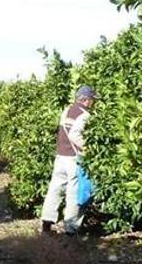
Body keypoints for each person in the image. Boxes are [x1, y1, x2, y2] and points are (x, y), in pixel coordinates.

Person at [40, 85, 99, 236]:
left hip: (61, 156)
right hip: (73, 158)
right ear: (85, 99)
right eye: (92, 100)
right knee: (73, 193)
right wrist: (88, 149)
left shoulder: (67, 111)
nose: (93, 103)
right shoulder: (84, 115)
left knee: (55, 189)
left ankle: (46, 224)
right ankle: (71, 230)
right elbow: (74, 134)